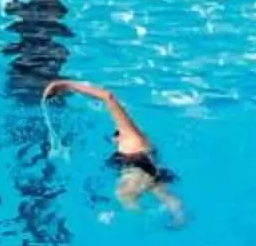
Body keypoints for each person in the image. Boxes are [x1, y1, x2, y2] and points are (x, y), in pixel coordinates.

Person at [43, 77, 183, 219]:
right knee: (166, 198)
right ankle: (180, 219)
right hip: (151, 169)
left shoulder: (129, 135)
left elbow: (107, 96)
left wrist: (65, 84)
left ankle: (145, 221)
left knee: (124, 197)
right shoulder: (143, 140)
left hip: (137, 169)